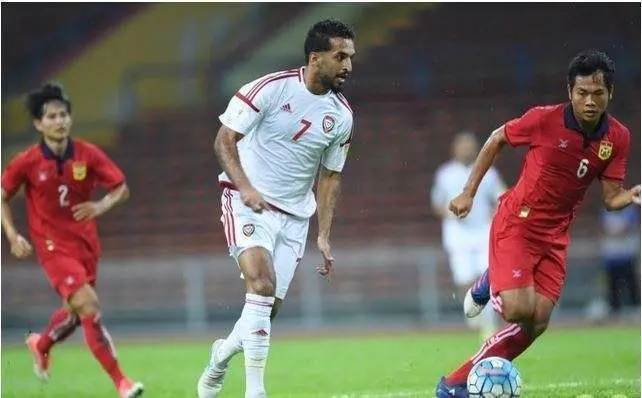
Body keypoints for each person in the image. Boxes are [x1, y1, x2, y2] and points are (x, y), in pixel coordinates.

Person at [435, 50, 640, 397]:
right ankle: (491, 282)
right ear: (570, 91)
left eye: (598, 94)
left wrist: (633, 196)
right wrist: (468, 192)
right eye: (582, 93)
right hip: (517, 222)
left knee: (537, 321)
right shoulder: (544, 120)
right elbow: (497, 138)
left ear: (610, 94)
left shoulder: (617, 138)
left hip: (556, 234)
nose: (590, 102)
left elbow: (610, 197)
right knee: (517, 310)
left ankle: (455, 384)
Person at [197, 19, 355, 398]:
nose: (348, 65)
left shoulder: (343, 116)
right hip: (248, 202)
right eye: (340, 56)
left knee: (266, 312)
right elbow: (223, 141)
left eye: (351, 57)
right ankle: (256, 391)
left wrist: (325, 234)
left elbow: (331, 177)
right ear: (315, 58)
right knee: (262, 284)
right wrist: (246, 187)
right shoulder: (269, 88)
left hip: (296, 217)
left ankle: (220, 355)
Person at [1, 83, 144, 398]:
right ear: (38, 124)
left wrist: (99, 205)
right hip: (52, 247)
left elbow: (121, 187)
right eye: (51, 116)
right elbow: (2, 197)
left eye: (63, 114)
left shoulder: (87, 153)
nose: (59, 121)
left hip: (86, 245)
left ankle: (40, 344)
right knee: (89, 305)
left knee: (74, 313)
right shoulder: (26, 162)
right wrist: (12, 236)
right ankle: (122, 383)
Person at [431, 132, 504, 340]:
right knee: (464, 278)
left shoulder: (488, 172)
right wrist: (450, 212)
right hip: (457, 233)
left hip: (483, 230)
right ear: (454, 149)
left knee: (486, 276)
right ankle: (474, 315)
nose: (466, 150)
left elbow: (501, 196)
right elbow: (437, 203)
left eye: (470, 146)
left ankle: (488, 323)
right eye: (462, 146)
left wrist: (495, 213)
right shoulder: (445, 174)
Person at [599, 206, 640, 315]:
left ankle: (635, 307)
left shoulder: (630, 212)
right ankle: (614, 310)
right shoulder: (606, 214)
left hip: (626, 255)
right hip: (611, 256)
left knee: (631, 284)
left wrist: (615, 230)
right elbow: (604, 230)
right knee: (613, 286)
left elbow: (625, 229)